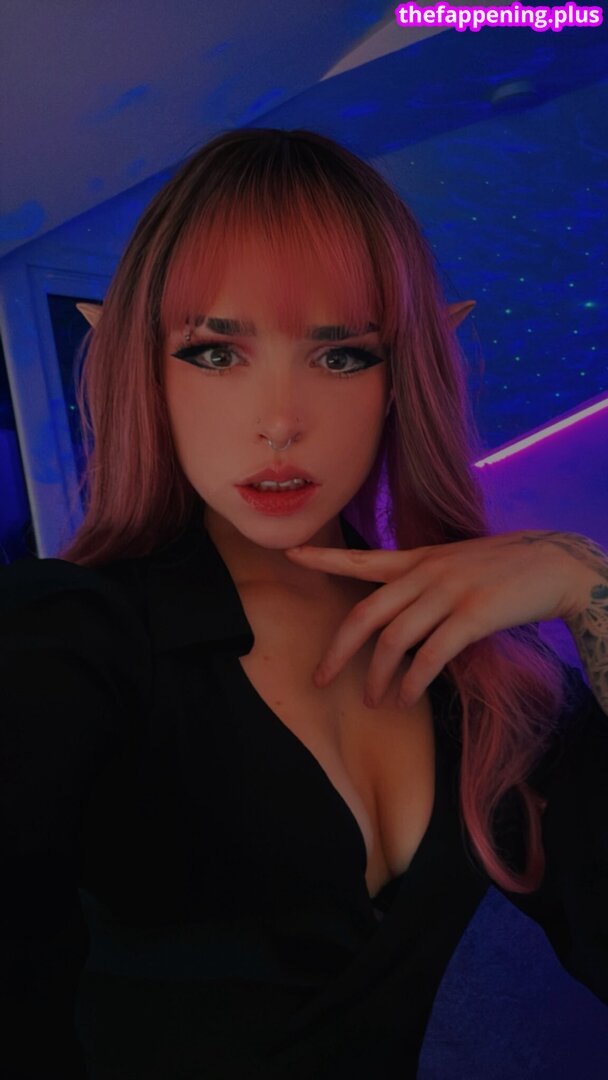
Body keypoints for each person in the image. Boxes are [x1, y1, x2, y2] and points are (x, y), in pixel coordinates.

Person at [1, 127, 606, 1080]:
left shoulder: (488, 671)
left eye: (342, 356)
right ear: (144, 371)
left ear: (401, 378)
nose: (280, 420)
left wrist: (583, 580)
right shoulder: (70, 637)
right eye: (215, 353)